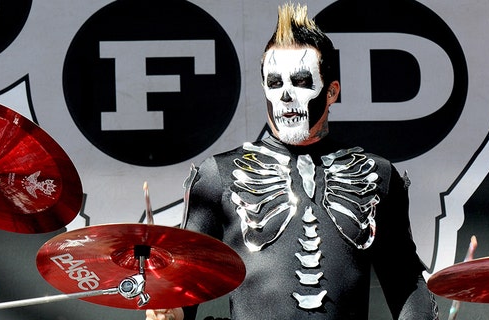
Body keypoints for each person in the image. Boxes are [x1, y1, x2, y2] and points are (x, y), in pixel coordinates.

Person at [146, 3, 439, 320]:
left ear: (331, 91)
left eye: (300, 81)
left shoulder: (377, 175)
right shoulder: (219, 175)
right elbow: (185, 293)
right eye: (275, 83)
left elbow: (406, 285)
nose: (286, 95)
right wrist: (169, 310)